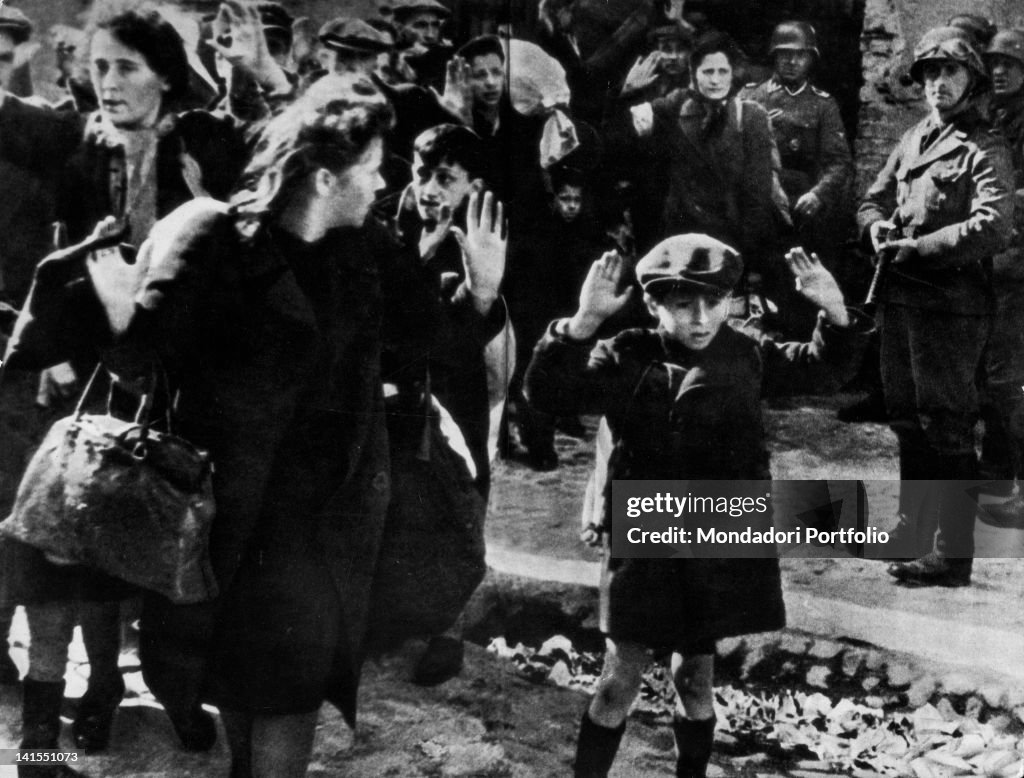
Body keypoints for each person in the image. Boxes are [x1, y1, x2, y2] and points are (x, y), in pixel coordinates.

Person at [6, 71, 453, 778]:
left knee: (290, 699)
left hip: (322, 526)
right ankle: (48, 746)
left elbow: (432, 337)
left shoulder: (369, 250)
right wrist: (120, 321)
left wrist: (489, 295)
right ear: (327, 179)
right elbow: (144, 364)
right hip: (224, 520)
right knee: (249, 698)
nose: (379, 184)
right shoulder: (219, 240)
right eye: (369, 169)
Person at [0, 0, 271, 757]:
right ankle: (55, 737)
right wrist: (53, 348)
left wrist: (254, 73)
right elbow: (49, 253)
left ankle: (163, 691)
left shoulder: (203, 144)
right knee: (69, 543)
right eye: (98, 69)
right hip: (88, 378)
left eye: (125, 68)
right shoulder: (76, 146)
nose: (107, 84)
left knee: (172, 541)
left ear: (164, 77)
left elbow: (273, 173)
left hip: (188, 378)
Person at [524, 234, 870, 778]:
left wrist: (834, 313)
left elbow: (824, 370)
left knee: (696, 678)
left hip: (714, 536)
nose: (702, 318)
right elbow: (548, 395)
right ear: (653, 304)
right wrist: (581, 324)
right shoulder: (626, 354)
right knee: (621, 678)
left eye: (715, 301)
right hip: (647, 538)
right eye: (683, 304)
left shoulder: (746, 351)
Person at [857, 26, 1013, 587]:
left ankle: (951, 556)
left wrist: (918, 249)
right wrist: (876, 228)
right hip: (899, 300)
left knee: (945, 425)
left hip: (951, 307)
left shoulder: (984, 145)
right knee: (905, 420)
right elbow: (872, 197)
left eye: (948, 72)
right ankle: (913, 534)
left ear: (970, 80)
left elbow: (995, 226)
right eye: (929, 74)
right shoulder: (914, 136)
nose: (937, 84)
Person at [620, 31, 777, 258]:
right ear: (694, 73)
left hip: (730, 240)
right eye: (707, 71)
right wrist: (629, 93)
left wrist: (745, 255)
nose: (715, 80)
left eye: (723, 71)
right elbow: (626, 137)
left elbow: (758, 197)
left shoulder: (751, 117)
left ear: (733, 75)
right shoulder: (676, 105)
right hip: (681, 238)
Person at [977, 28, 1024, 515]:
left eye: (1011, 63)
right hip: (993, 263)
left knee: (1011, 380)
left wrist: (990, 200)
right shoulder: (992, 115)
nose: (1000, 70)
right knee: (993, 378)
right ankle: (993, 481)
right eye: (994, 62)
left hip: (1019, 266)